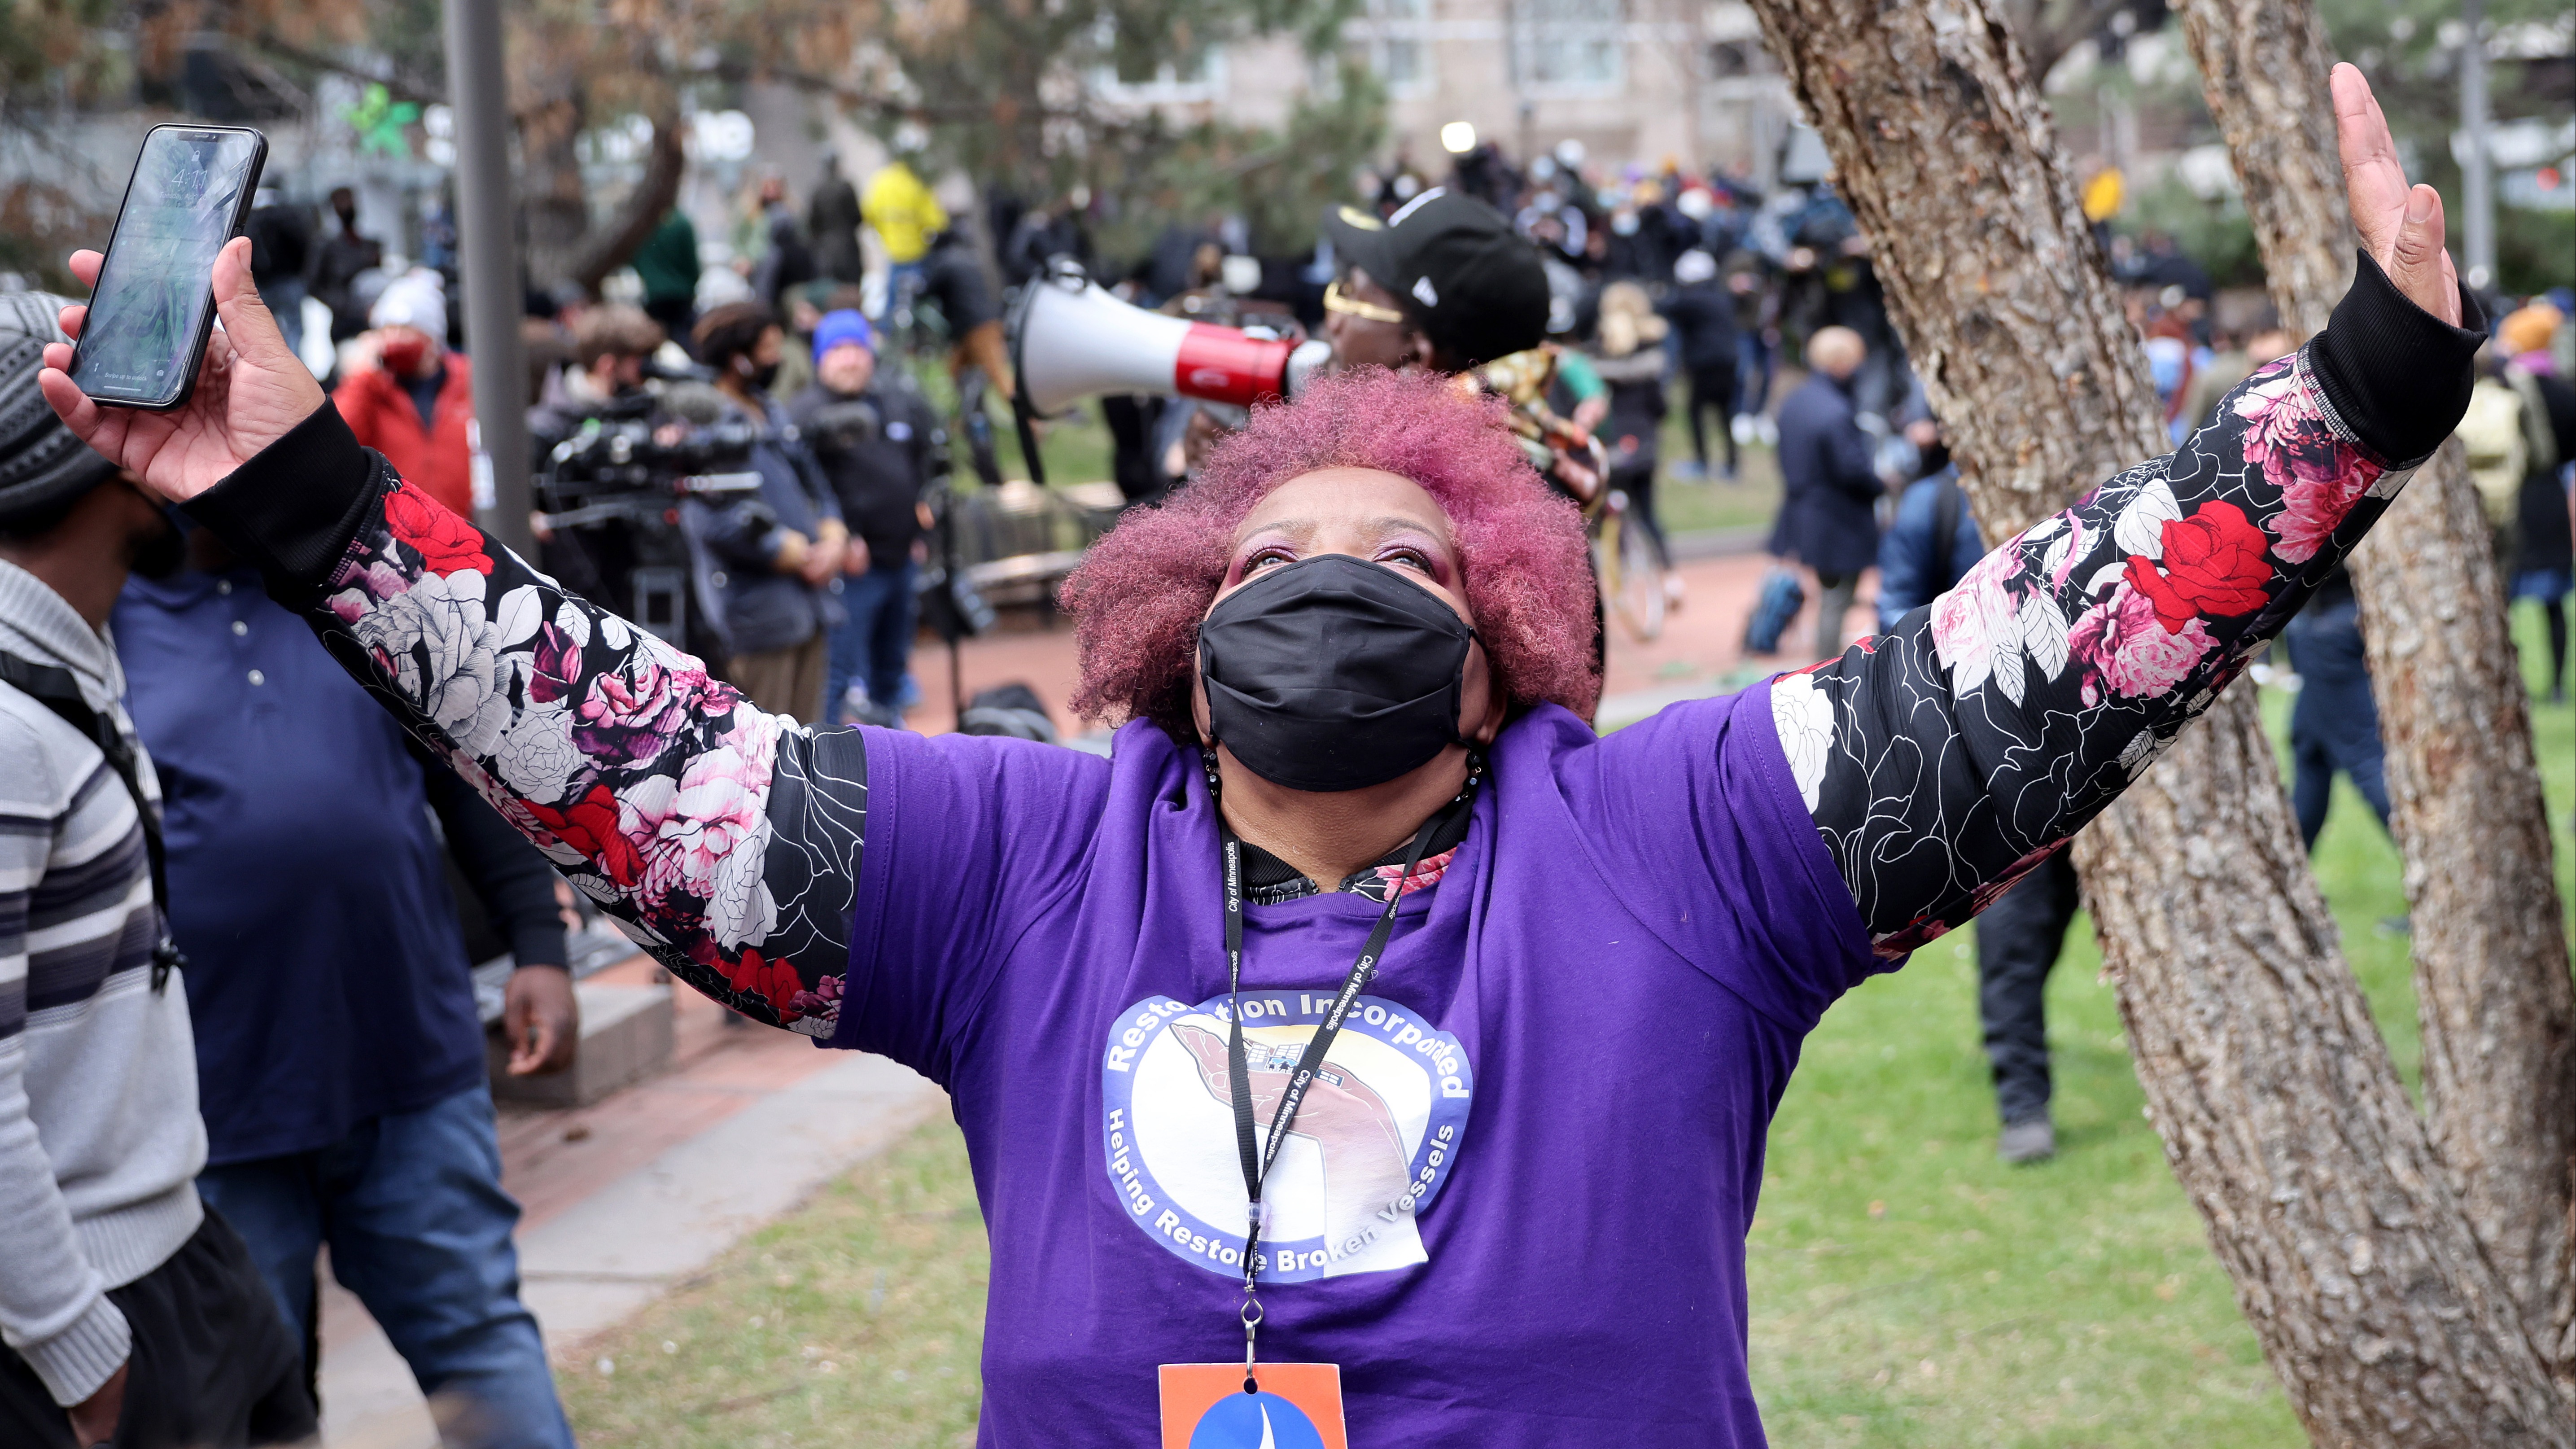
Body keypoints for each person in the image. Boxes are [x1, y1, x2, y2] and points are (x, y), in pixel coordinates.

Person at [39, 64, 2480, 1446]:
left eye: (1409, 559)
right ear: (1178, 636)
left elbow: (2038, 659)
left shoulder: (1670, 846)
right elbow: (621, 744)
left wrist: (2355, 393)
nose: (1339, 579)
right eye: (1277, 555)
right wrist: (303, 501)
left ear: (1509, 639)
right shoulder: (1017, 864)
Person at [113, 519, 582, 1447]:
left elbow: (467, 770)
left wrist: (538, 940)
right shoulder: (103, 623)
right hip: (220, 1102)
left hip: (405, 1059)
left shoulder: (350, 591)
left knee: (480, 1343)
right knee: (259, 1398)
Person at [0, 294, 314, 1448]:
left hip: (185, 1249)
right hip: (84, 1311)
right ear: (89, 458)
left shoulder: (67, 662)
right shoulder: (8, 732)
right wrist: (79, 1354)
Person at [691, 301, 848, 721]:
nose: (776, 359)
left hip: (809, 607)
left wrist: (833, 537)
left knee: (810, 743)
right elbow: (710, 519)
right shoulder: (703, 421)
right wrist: (788, 551)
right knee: (766, 747)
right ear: (737, 356)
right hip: (757, 615)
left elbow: (816, 483)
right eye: (767, 348)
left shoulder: (772, 409)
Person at [789, 310, 939, 726]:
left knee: (891, 671)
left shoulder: (895, 401)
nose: (851, 359)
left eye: (857, 348)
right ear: (821, 358)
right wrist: (843, 538)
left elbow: (922, 464)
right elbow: (800, 491)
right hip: (850, 569)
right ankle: (824, 764)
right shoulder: (803, 414)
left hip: (900, 560)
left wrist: (920, 527)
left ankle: (897, 762)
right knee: (836, 674)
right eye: (838, 350)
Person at [1774, 325, 1884, 659]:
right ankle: (1826, 670)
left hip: (1805, 513)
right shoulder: (1835, 410)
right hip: (1839, 521)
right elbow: (1852, 469)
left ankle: (1824, 665)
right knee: (1836, 601)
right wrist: (1881, 485)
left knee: (1829, 595)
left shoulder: (1795, 401)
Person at [333, 269, 478, 518]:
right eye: (387, 330)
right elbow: (337, 442)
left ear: (432, 338)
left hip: (467, 531)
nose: (395, 339)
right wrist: (362, 377)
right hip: (399, 538)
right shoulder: (371, 389)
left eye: (406, 330)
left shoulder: (469, 380)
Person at [2499, 302, 2572, 702]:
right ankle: (2559, 684)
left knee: (2505, 598)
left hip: (2516, 497)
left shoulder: (2509, 386)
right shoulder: (2563, 389)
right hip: (2551, 496)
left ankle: (2510, 682)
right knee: (2554, 602)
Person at [1589, 281, 1679, 604]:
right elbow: (1661, 407)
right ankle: (1670, 578)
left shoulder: (1594, 354)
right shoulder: (1651, 354)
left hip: (1610, 444)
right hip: (1643, 441)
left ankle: (1623, 581)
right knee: (1649, 512)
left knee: (1610, 512)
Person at [1662, 247, 1739, 480]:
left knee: (1696, 411)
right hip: (1729, 361)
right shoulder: (1721, 295)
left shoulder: (1692, 299)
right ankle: (1731, 465)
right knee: (1725, 414)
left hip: (1706, 364)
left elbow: (1663, 307)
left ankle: (1702, 464)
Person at [862, 159, 947, 323]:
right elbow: (937, 222)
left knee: (893, 303)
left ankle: (889, 338)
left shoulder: (881, 181)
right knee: (923, 303)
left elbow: (868, 214)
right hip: (917, 253)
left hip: (894, 253)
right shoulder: (916, 181)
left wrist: (886, 232)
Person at [309, 186, 382, 345]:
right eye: (342, 202)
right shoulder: (326, 247)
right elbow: (313, 285)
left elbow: (377, 279)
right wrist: (340, 305)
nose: (347, 206)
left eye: (350, 201)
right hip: (344, 323)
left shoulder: (369, 245)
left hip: (370, 321)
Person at [245, 189, 311, 362]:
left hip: (263, 285)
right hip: (288, 281)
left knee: (268, 334)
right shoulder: (283, 216)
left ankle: (273, 369)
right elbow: (301, 244)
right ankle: (296, 371)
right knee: (295, 328)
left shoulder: (250, 221)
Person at [631, 207, 701, 357]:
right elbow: (693, 265)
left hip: (654, 293)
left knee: (655, 343)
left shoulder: (643, 224)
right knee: (686, 343)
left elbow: (634, 259)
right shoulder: (682, 222)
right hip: (681, 294)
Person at [808, 153, 866, 286]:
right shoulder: (845, 187)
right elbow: (858, 217)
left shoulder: (818, 190)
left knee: (833, 289)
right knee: (852, 288)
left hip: (827, 249)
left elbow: (812, 224)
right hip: (847, 246)